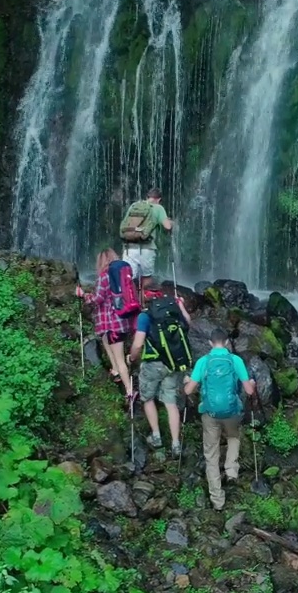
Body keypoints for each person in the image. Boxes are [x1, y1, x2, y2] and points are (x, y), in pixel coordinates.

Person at [183, 329, 256, 511]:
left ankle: (218, 501)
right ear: (227, 343)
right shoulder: (235, 360)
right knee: (233, 436)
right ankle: (231, 470)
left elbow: (188, 391)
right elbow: (248, 391)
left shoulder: (204, 362)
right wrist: (252, 384)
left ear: (210, 343)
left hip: (210, 414)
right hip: (231, 411)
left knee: (211, 456)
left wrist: (187, 381)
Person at [127, 283, 193, 455]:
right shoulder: (173, 312)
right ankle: (176, 444)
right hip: (173, 364)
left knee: (147, 398)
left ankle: (156, 436)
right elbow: (188, 323)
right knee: (171, 403)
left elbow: (139, 343)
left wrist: (132, 357)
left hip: (153, 364)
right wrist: (181, 306)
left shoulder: (145, 316)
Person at [75, 248, 135, 403]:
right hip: (122, 321)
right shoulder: (121, 276)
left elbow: (97, 299)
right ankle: (115, 371)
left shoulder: (104, 277)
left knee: (119, 357)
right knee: (105, 340)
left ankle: (130, 391)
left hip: (112, 323)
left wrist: (84, 295)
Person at [118, 187, 172, 292]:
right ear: (159, 199)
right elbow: (167, 227)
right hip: (147, 248)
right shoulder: (158, 208)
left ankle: (129, 304)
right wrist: (170, 222)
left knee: (128, 279)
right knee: (146, 280)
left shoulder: (134, 206)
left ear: (147, 197)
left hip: (129, 248)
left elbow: (124, 225)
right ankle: (144, 305)